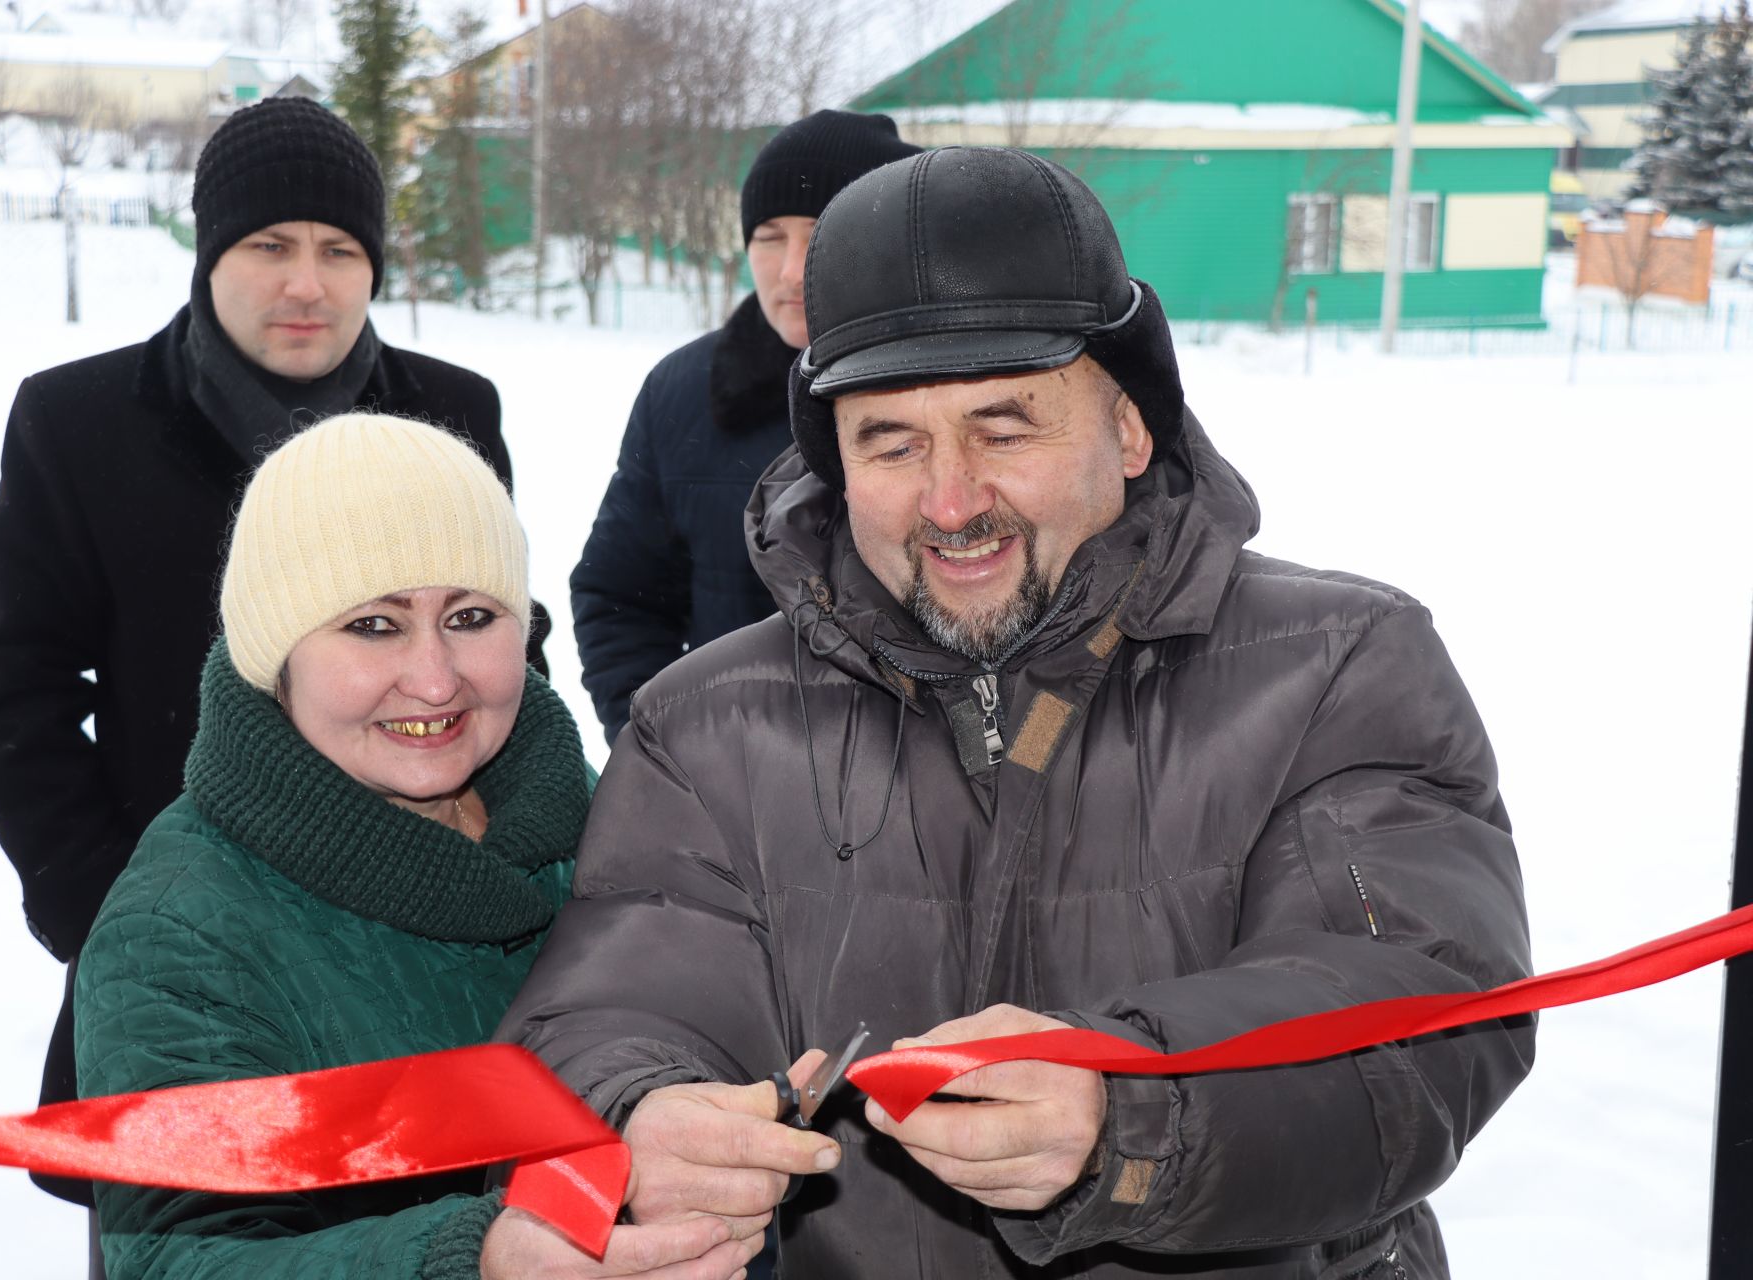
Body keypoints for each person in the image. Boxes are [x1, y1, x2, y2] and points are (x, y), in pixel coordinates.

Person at [501, 147, 1535, 1277]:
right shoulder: (707, 725)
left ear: (1130, 429)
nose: (951, 501)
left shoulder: (1337, 665)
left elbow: (1423, 1013)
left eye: (1005, 429)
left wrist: (1128, 1111)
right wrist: (641, 1109)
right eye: (890, 443)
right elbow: (606, 1008)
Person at [0, 96, 546, 1223]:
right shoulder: (78, 424)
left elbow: (511, 641)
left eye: (339, 250)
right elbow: (13, 690)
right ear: (208, 250)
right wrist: (110, 911)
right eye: (268, 245)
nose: (307, 284)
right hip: (191, 953)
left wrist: (510, 886)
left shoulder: (449, 412)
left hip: (424, 954)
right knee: (192, 1234)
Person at [74, 413, 755, 1280]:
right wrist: (470, 1262)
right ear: (274, 656)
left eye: (471, 616)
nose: (435, 679)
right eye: (373, 626)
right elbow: (180, 1256)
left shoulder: (599, 812)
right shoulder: (181, 928)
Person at [570, 110, 917, 743]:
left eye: (821, 233)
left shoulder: (966, 393)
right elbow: (619, 598)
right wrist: (662, 752)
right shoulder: (683, 392)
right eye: (768, 235)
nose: (789, 272)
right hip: (742, 794)